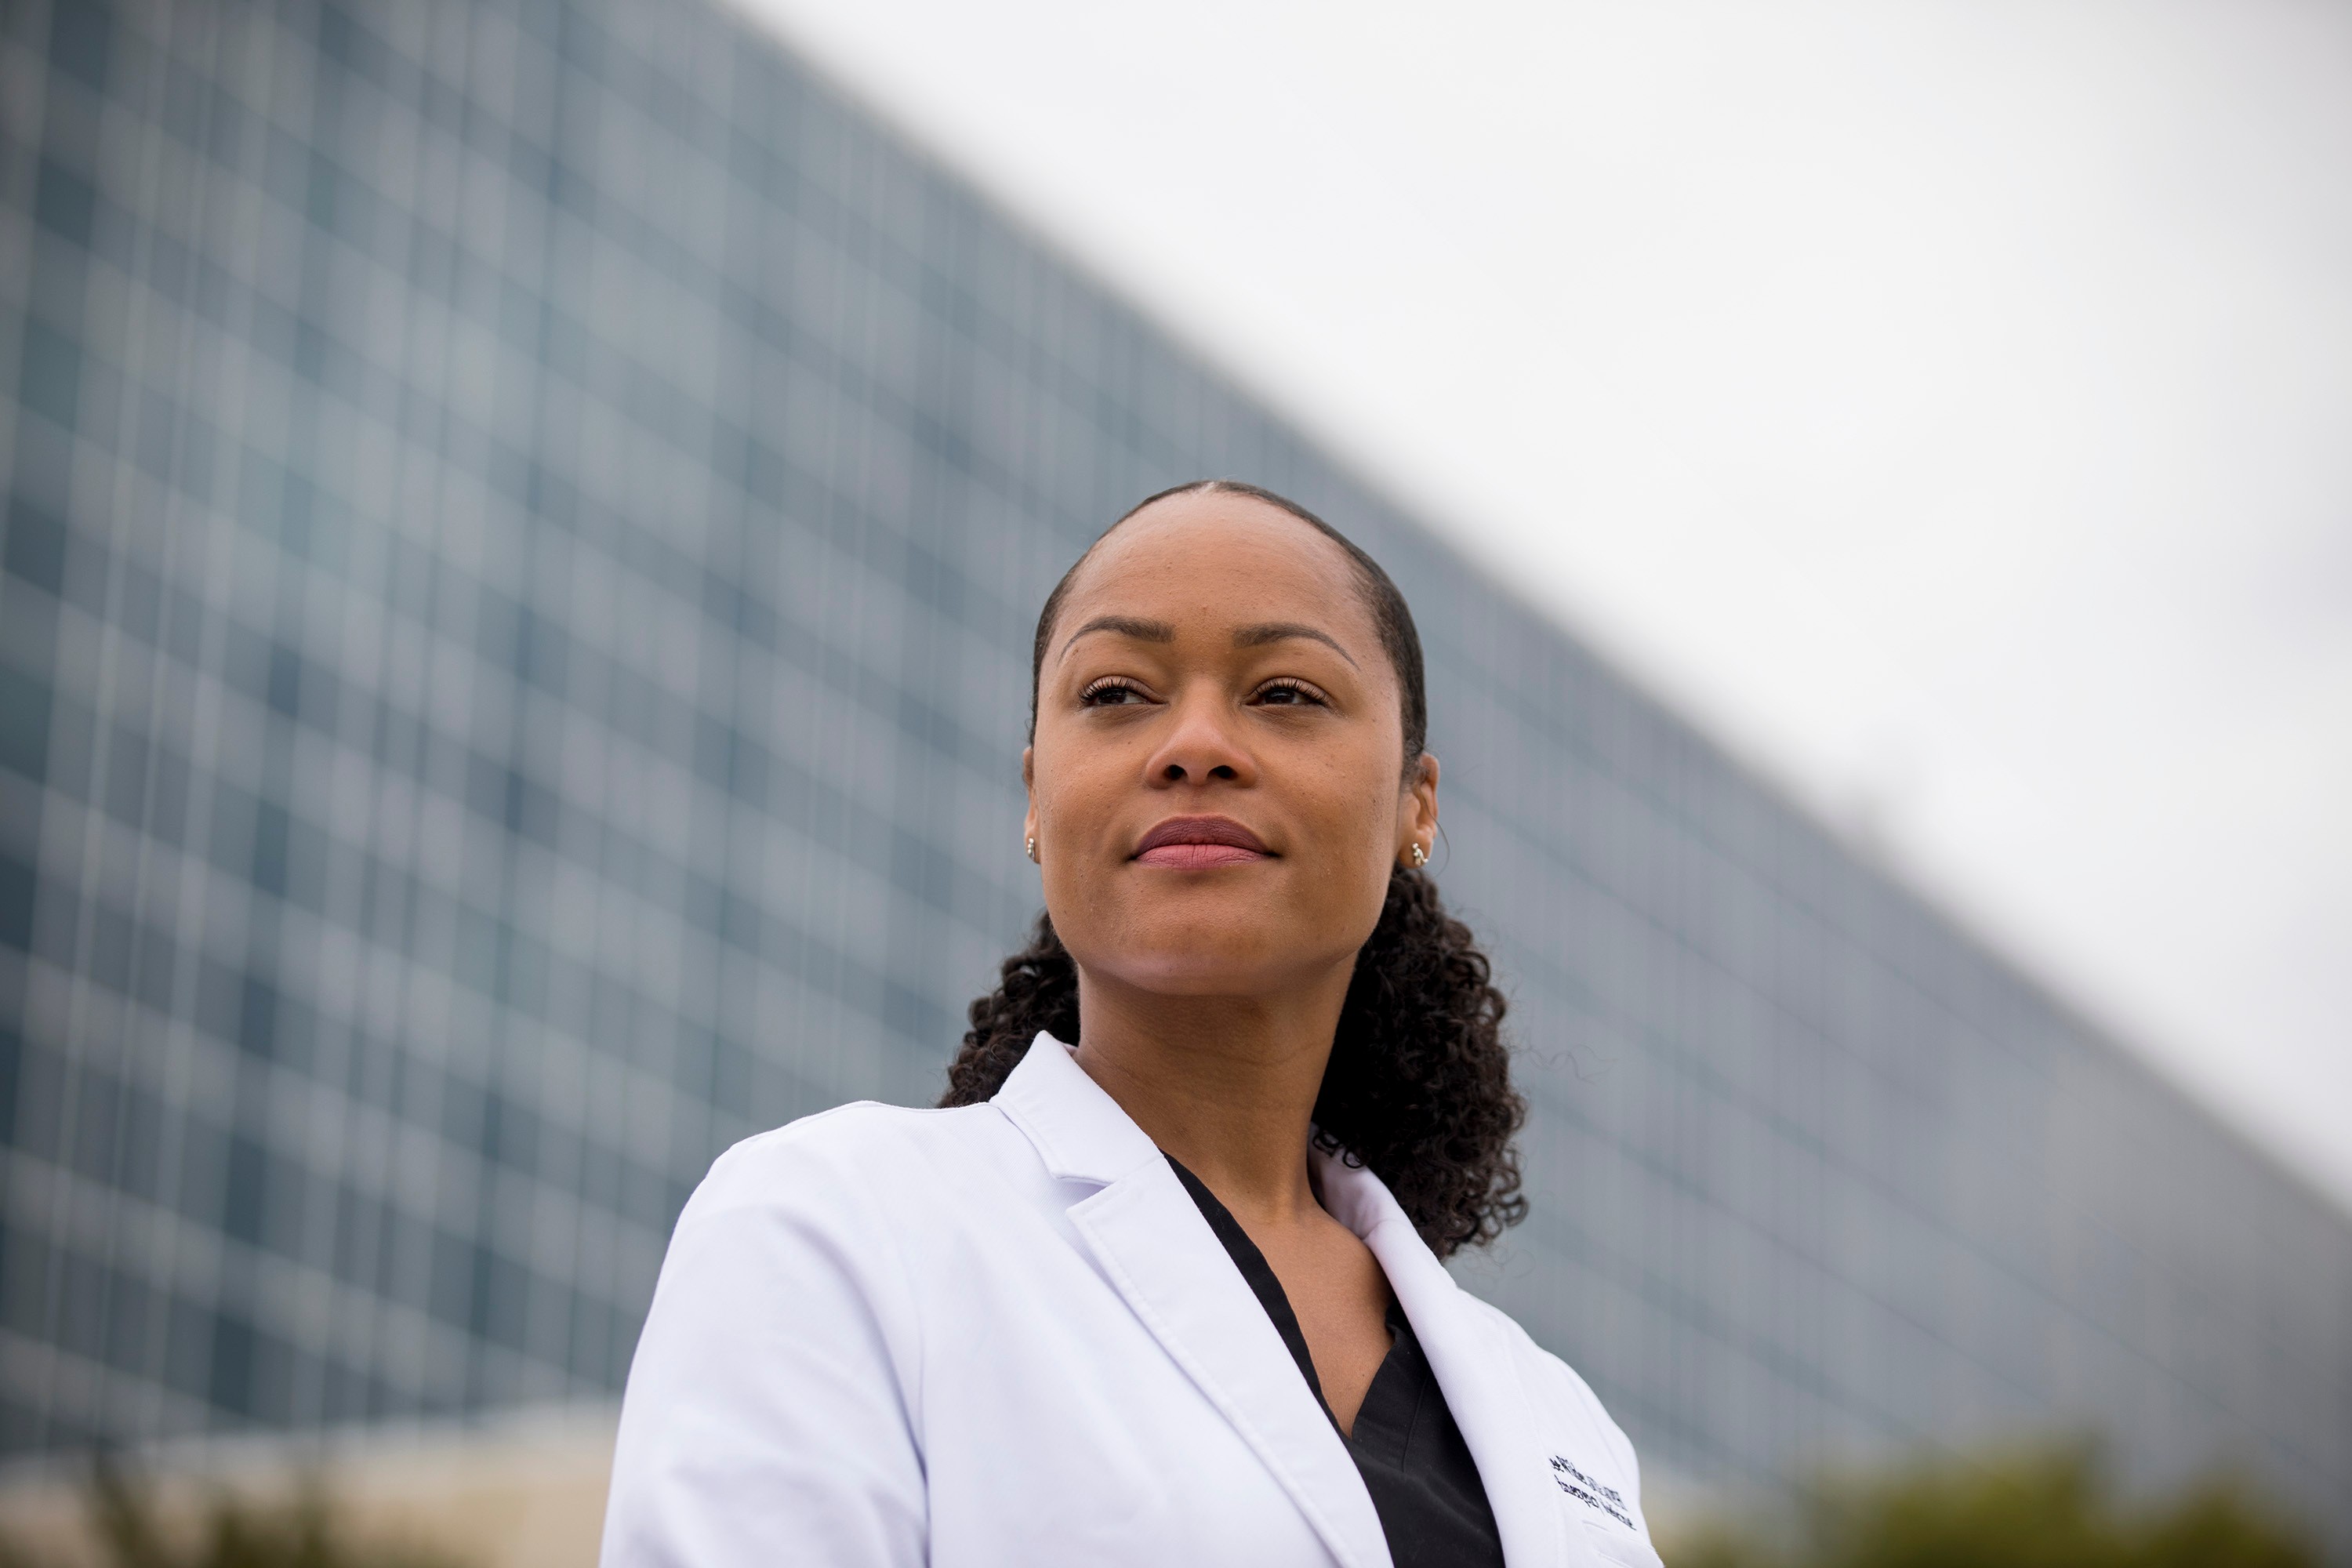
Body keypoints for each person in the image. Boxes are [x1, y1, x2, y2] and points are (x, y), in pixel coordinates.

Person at [599, 481, 1662, 1568]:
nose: (1195, 745)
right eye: (1115, 692)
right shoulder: (831, 1225)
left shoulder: (1561, 1429)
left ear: (1414, 806)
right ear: (1034, 797)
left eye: (1287, 691)